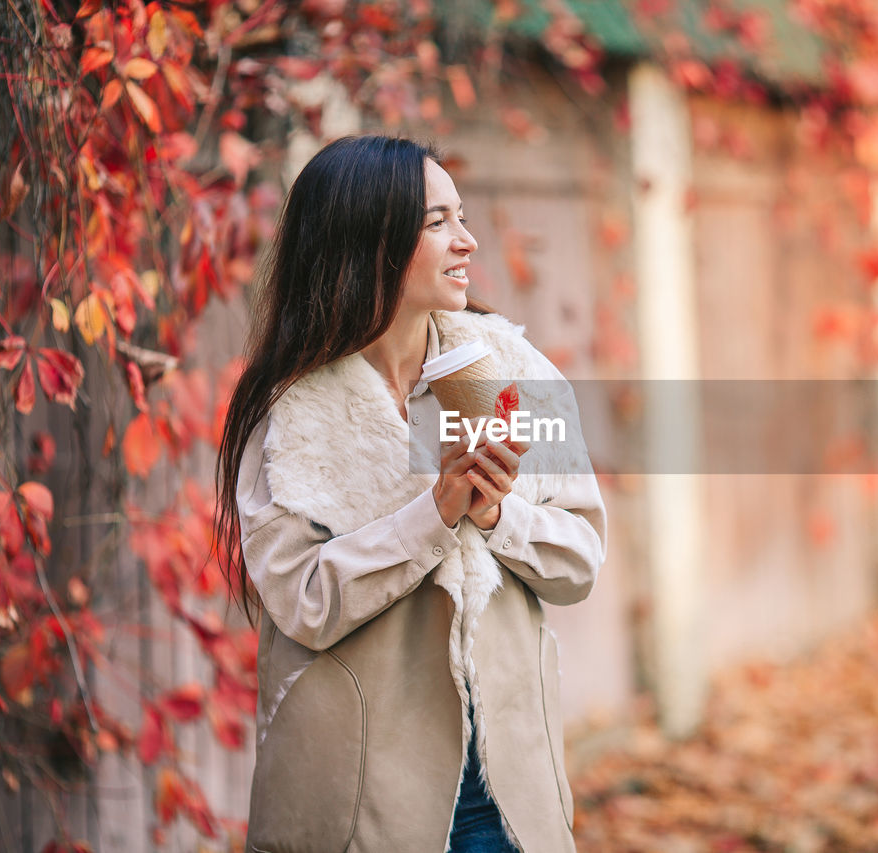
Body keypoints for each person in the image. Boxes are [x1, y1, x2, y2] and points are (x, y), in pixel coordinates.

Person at [213, 135, 606, 852]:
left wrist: (493, 511)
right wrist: (432, 513)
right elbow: (302, 598)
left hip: (506, 794)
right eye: (439, 222)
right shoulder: (290, 411)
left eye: (462, 216)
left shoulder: (510, 370)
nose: (468, 240)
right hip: (358, 807)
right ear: (369, 241)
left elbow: (579, 560)